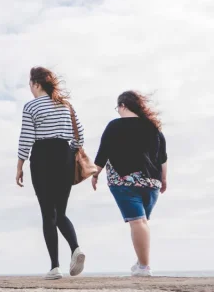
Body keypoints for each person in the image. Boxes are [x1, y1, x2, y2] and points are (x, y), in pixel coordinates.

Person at [16, 66, 86, 280]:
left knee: (48, 213)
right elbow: (80, 136)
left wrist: (19, 166)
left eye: (30, 83)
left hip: (42, 156)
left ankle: (55, 267)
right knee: (61, 212)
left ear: (36, 84)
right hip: (64, 154)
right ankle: (75, 249)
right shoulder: (66, 106)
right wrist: (68, 152)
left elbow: (26, 138)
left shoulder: (31, 106)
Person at [91, 91, 168, 277]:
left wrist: (95, 174)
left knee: (137, 222)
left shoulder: (115, 125)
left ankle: (144, 267)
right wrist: (164, 180)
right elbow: (163, 158)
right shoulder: (154, 128)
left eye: (118, 107)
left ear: (123, 105)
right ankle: (141, 261)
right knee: (141, 222)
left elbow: (103, 153)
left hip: (124, 181)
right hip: (152, 183)